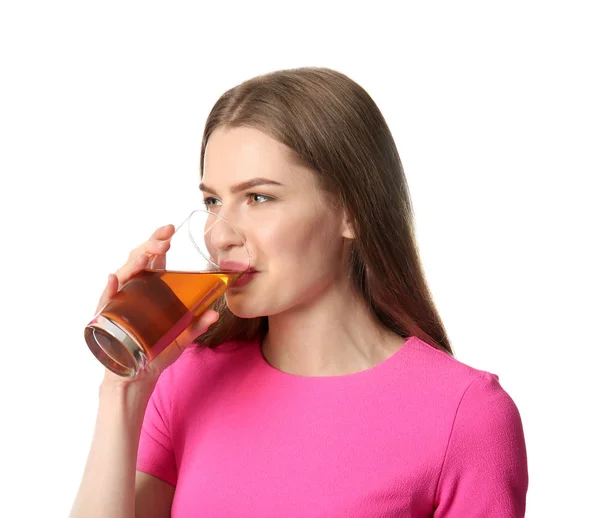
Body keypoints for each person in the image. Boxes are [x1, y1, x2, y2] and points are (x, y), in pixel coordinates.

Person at [70, 67, 528, 517]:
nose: (218, 235)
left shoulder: (466, 414)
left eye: (258, 198)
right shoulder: (185, 382)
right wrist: (123, 391)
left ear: (352, 213)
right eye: (213, 201)